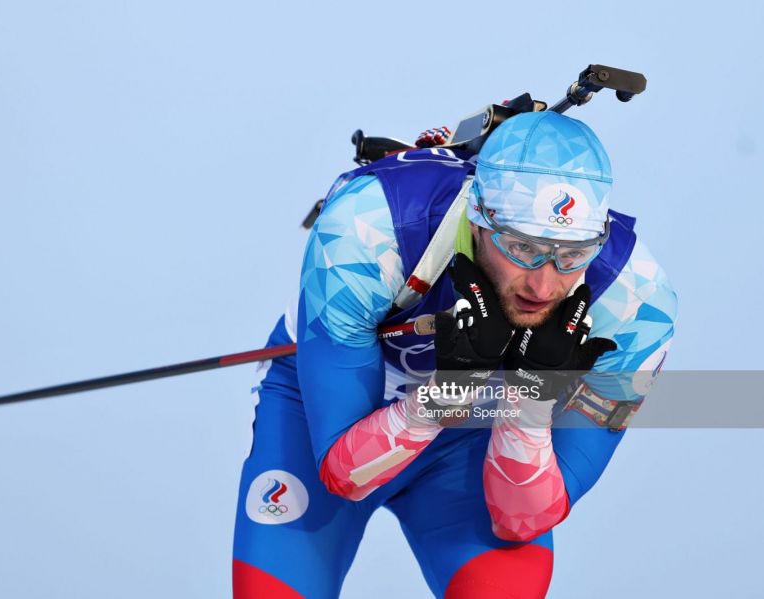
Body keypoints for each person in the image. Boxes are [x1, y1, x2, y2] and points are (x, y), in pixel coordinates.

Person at [231, 111, 677, 598]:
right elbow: (343, 473)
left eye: (572, 254)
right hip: (318, 419)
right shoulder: (367, 229)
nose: (544, 283)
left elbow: (521, 520)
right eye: (521, 247)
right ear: (478, 219)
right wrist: (451, 389)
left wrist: (529, 399)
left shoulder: (636, 305)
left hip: (472, 441)